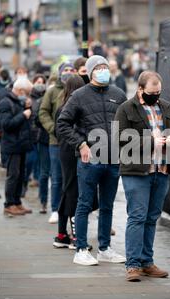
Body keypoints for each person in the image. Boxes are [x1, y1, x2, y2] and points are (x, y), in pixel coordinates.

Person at [57, 55, 127, 266]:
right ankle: (81, 249)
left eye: (105, 66)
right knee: (84, 203)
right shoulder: (78, 96)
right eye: (98, 67)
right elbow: (63, 124)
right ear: (89, 71)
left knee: (107, 205)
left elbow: (129, 124)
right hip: (90, 160)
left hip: (113, 159)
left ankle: (104, 248)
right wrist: (81, 144)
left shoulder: (118, 94)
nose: (103, 70)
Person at [115, 71, 170, 282]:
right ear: (140, 89)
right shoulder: (126, 108)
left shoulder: (167, 107)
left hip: (162, 170)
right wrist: (152, 141)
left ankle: (147, 262)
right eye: (152, 92)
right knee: (137, 216)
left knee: (152, 218)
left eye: (158, 92)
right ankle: (132, 265)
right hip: (137, 171)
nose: (156, 96)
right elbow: (120, 140)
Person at [39, 62, 76, 224]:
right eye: (65, 70)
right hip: (55, 141)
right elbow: (43, 111)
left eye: (71, 70)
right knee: (56, 177)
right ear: (60, 73)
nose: (68, 73)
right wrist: (53, 128)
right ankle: (55, 209)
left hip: (73, 141)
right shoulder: (52, 91)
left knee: (72, 178)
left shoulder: (78, 90)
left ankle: (72, 210)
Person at [53, 75, 86, 249]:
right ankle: (75, 236)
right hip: (75, 152)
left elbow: (55, 130)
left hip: (64, 152)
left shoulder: (61, 108)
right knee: (74, 192)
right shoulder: (76, 108)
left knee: (67, 190)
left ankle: (61, 234)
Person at [0, 78, 34, 217]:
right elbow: (6, 124)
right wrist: (23, 115)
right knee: (13, 175)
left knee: (20, 175)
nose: (28, 96)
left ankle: (17, 202)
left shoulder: (17, 100)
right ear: (21, 91)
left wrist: (27, 109)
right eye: (28, 93)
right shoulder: (5, 102)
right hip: (12, 145)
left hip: (21, 144)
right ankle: (9, 204)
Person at [22, 75, 46, 198]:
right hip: (30, 136)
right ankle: (24, 183)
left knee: (40, 164)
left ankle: (39, 186)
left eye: (42, 82)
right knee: (29, 162)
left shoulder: (46, 98)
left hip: (41, 136)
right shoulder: (28, 99)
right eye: (37, 82)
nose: (39, 84)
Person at [31, 75, 50, 214]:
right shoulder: (42, 100)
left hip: (58, 141)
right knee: (44, 172)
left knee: (56, 175)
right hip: (44, 139)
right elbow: (37, 118)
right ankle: (43, 201)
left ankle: (55, 204)